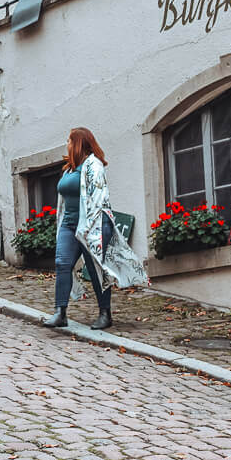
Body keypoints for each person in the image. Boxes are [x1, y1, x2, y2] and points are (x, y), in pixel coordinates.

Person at [42, 127, 148, 330]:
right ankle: (60, 313)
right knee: (62, 263)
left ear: (79, 143)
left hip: (94, 224)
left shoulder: (94, 166)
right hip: (69, 224)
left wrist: (87, 229)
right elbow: (62, 201)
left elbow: (99, 199)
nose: (67, 144)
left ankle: (105, 314)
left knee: (95, 269)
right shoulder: (69, 169)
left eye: (70, 140)